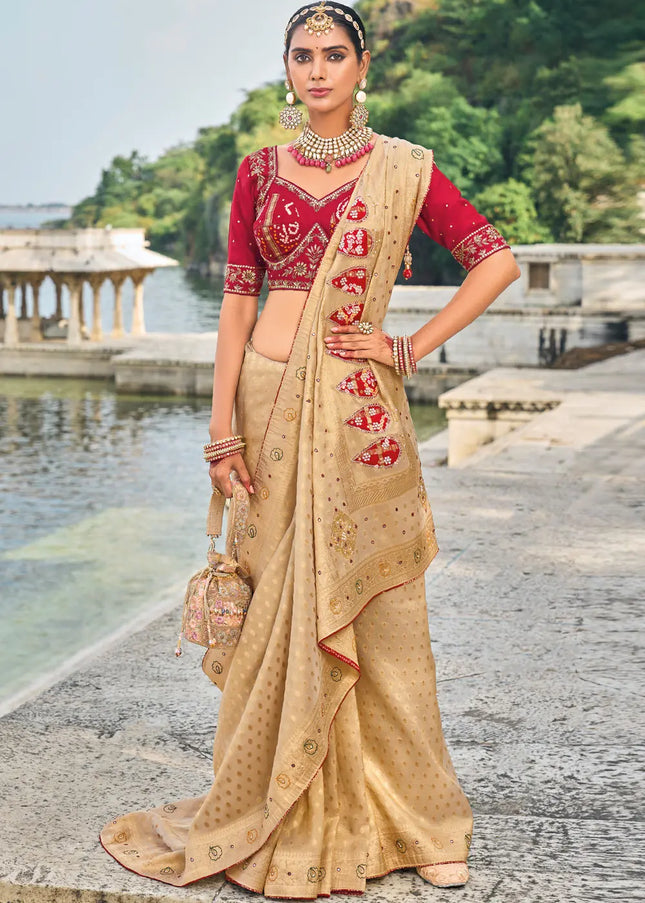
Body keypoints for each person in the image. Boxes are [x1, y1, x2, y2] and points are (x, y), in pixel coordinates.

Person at [100, 3, 520, 898]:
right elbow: (238, 308)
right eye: (302, 56)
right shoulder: (257, 172)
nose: (318, 70)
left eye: (335, 54)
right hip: (264, 402)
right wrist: (221, 432)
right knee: (274, 610)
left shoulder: (404, 169)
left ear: (361, 65)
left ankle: (422, 820)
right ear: (285, 69)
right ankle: (275, 805)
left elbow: (493, 259)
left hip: (358, 409)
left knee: (386, 614)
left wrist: (410, 345)